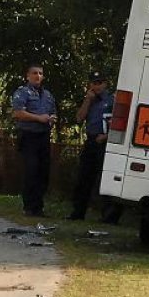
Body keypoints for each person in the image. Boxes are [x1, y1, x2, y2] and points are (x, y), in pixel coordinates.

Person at [68, 71, 122, 223]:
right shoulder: (89, 100)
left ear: (105, 84)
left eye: (100, 83)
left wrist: (106, 136)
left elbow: (121, 123)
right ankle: (78, 212)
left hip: (106, 142)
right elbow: (79, 118)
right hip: (91, 141)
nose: (97, 86)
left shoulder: (113, 100)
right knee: (84, 177)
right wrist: (87, 101)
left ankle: (109, 216)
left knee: (105, 179)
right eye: (94, 83)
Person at [11, 64, 56, 217]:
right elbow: (17, 113)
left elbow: (53, 113)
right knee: (31, 170)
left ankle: (39, 207)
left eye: (40, 73)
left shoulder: (48, 95)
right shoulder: (22, 92)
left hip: (43, 136)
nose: (38, 76)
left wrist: (51, 119)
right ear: (28, 76)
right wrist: (38, 118)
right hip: (29, 135)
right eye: (34, 73)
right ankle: (29, 206)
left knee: (43, 172)